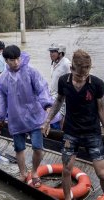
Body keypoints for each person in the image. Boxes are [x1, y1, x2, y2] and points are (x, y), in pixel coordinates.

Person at [42, 49, 104, 200]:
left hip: (92, 132)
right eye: (78, 75)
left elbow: (102, 109)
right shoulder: (63, 81)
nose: (82, 78)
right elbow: (58, 101)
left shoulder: (97, 84)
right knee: (67, 170)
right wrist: (47, 120)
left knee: (102, 173)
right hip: (71, 133)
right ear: (71, 69)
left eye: (86, 75)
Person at [0, 45, 53, 187]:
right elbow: (0, 100)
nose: (16, 62)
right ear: (6, 60)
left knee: (38, 148)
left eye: (18, 58)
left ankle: (35, 172)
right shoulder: (2, 78)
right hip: (16, 117)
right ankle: (23, 173)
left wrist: (47, 106)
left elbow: (42, 88)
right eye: (12, 60)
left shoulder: (31, 71)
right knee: (19, 148)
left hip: (34, 116)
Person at [48, 43, 71, 130]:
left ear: (60, 53)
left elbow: (72, 80)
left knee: (60, 119)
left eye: (54, 52)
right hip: (53, 96)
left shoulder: (66, 64)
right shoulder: (53, 63)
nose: (51, 54)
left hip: (62, 97)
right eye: (50, 51)